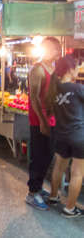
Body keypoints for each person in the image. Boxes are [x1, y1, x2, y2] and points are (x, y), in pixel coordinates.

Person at [45, 55, 84, 218]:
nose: (78, 72)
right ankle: (70, 208)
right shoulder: (77, 89)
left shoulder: (54, 89)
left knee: (59, 167)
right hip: (79, 136)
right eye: (77, 68)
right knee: (77, 173)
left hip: (61, 135)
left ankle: (53, 197)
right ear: (70, 69)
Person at [26, 37, 61, 210]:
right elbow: (33, 97)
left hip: (52, 120)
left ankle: (38, 187)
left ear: (57, 51)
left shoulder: (54, 68)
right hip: (39, 121)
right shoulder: (37, 70)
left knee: (48, 155)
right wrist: (42, 121)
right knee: (38, 156)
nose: (48, 51)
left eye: (51, 48)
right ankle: (32, 193)